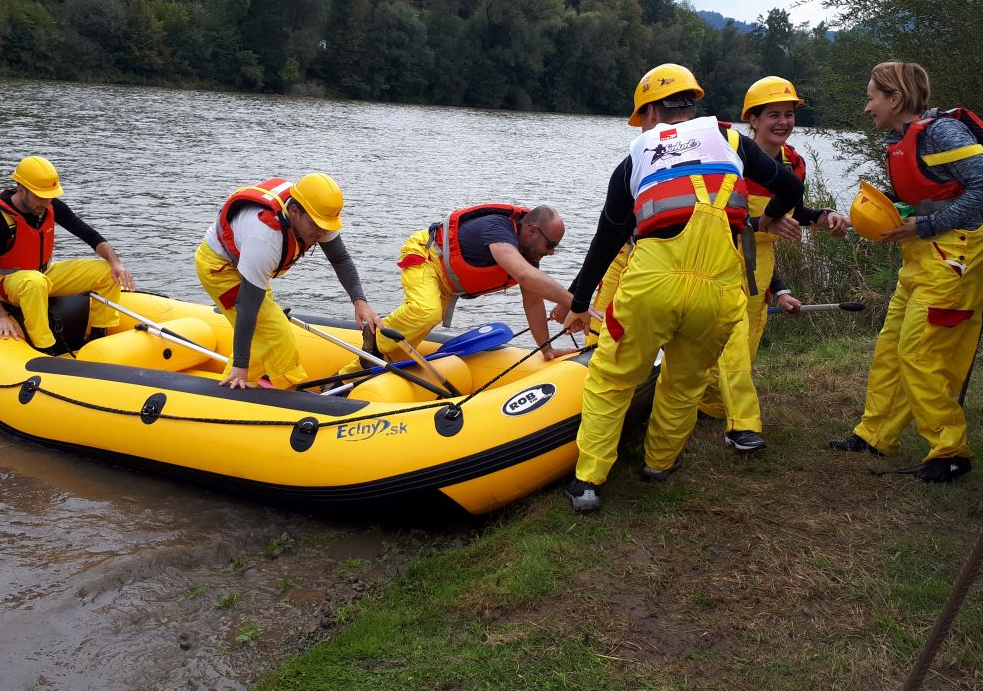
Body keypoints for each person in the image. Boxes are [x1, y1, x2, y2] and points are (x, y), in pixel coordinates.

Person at [557, 63, 806, 513]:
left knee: (612, 379)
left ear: (651, 111)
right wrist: (769, 218)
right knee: (685, 382)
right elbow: (789, 184)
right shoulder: (732, 141)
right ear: (692, 104)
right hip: (718, 289)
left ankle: (588, 481)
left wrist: (578, 300)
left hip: (651, 284)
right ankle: (659, 465)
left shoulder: (636, 157)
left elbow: (607, 237)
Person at [830, 61, 983, 482]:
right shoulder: (899, 137)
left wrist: (922, 225)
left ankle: (950, 450)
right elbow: (929, 192)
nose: (868, 106)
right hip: (922, 254)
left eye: (872, 97)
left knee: (920, 351)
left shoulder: (943, 133)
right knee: (892, 344)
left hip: (957, 255)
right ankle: (874, 434)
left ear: (896, 99)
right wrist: (872, 216)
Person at [697, 77, 850, 451]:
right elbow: (708, 220)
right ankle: (744, 426)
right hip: (720, 262)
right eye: (773, 115)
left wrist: (824, 217)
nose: (782, 122)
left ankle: (708, 407)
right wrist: (760, 224)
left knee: (742, 351)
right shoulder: (728, 158)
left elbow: (794, 212)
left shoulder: (792, 164)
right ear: (753, 118)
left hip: (759, 270)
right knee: (732, 346)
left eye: (788, 114)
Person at [195, 173, 382, 390]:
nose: (322, 232)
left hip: (250, 265)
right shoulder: (265, 238)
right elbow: (247, 308)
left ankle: (243, 389)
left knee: (263, 334)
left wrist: (360, 301)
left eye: (326, 226)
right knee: (277, 333)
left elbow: (340, 259)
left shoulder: (318, 213)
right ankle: (288, 396)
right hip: (221, 268)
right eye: (316, 225)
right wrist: (240, 365)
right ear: (294, 211)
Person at [342, 205, 576, 373]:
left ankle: (344, 377)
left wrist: (547, 349)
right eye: (551, 244)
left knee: (404, 344)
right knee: (427, 311)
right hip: (427, 256)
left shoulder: (529, 256)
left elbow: (533, 303)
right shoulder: (498, 229)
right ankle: (374, 335)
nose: (552, 252)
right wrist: (575, 302)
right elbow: (525, 275)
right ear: (533, 231)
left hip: (445, 283)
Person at [0, 156, 134, 353]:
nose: (47, 201)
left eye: (49, 196)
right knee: (34, 281)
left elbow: (90, 236)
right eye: (40, 196)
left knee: (106, 270)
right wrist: (0, 315)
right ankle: (46, 349)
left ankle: (97, 336)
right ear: (21, 190)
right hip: (6, 283)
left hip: (43, 274)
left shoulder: (49, 206)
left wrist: (116, 264)